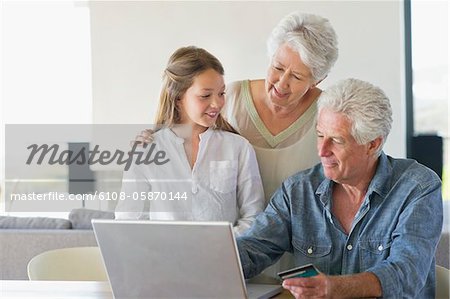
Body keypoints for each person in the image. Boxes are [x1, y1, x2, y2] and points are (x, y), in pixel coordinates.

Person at [237, 78, 443, 298]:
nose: (322, 150)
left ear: (372, 144)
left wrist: (333, 288)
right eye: (319, 135)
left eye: (336, 140)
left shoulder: (418, 188)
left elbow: (407, 274)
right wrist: (206, 260)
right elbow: (253, 248)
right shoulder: (298, 191)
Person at [115, 46, 265, 236]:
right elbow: (128, 221)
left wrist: (220, 245)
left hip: (222, 260)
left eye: (221, 93)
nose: (217, 103)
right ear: (178, 98)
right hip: (163, 261)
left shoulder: (238, 147)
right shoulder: (145, 151)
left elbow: (254, 216)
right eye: (205, 95)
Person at [223, 11, 339, 204]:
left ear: (317, 80)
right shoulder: (230, 98)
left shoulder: (328, 112)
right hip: (234, 230)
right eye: (278, 68)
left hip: (299, 231)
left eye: (296, 77)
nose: (281, 83)